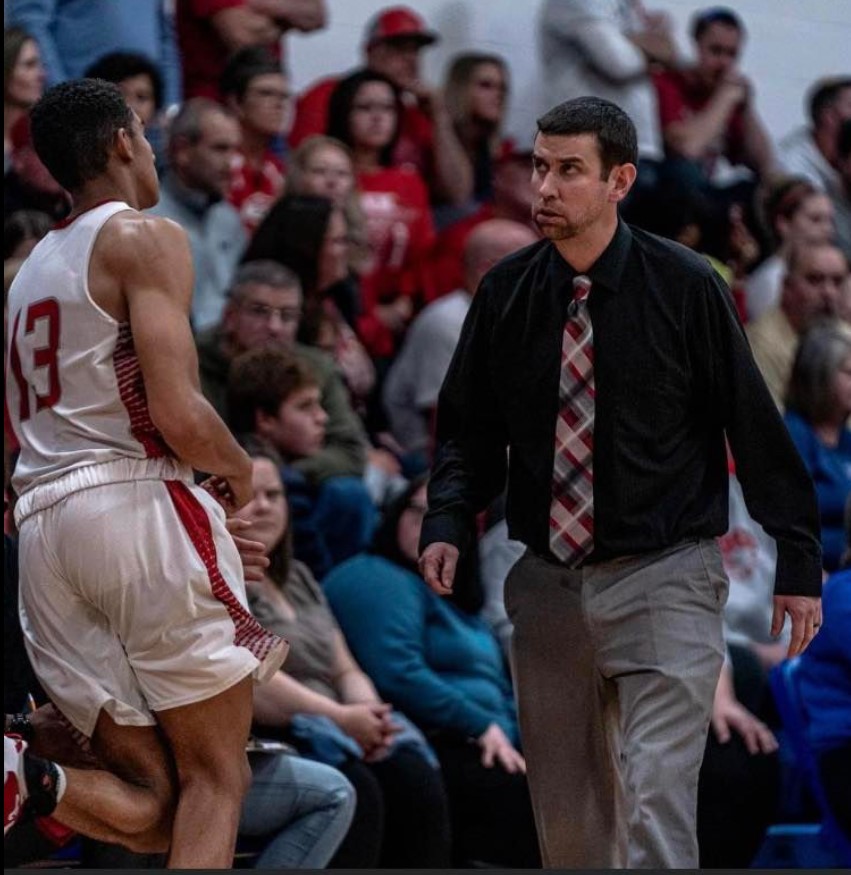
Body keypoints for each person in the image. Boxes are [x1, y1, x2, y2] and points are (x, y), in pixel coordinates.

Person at [418, 95, 823, 869]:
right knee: (569, 826)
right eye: (539, 167)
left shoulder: (685, 285)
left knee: (655, 796)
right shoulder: (505, 292)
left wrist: (797, 557)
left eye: (569, 170)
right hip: (547, 581)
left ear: (619, 180)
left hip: (666, 573)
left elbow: (752, 423)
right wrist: (445, 516)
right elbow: (467, 428)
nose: (544, 187)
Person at [5, 78, 288, 867]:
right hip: (128, 498)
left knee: (162, 806)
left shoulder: (28, 270)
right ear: (121, 143)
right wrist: (237, 471)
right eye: (145, 129)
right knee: (219, 777)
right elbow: (177, 410)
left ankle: (28, 779)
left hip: (42, 525)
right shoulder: (145, 237)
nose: (153, 146)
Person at [236, 439, 453, 868]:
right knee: (362, 790)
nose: (262, 506)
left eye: (273, 495)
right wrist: (342, 720)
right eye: (247, 495)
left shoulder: (297, 576)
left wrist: (371, 718)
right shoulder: (224, 578)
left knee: (413, 775)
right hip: (277, 728)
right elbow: (251, 679)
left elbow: (344, 666)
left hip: (338, 721)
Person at [324, 477, 541, 868]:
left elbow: (499, 685)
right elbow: (398, 673)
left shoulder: (451, 597)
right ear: (394, 515)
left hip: (486, 739)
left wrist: (518, 737)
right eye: (418, 512)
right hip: (431, 738)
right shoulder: (376, 575)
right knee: (523, 805)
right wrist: (481, 725)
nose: (429, 527)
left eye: (444, 517)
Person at [383, 218, 538, 461]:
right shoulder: (447, 321)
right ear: (489, 271)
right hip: (427, 458)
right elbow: (446, 426)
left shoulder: (518, 319)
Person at [290, 4, 472, 207]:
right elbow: (299, 169)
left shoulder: (418, 113)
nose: (411, 59)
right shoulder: (328, 93)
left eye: (416, 51)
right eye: (400, 48)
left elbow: (458, 193)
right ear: (370, 52)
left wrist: (439, 117)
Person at [653, 7, 776, 208]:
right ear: (697, 46)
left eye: (732, 54)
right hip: (665, 192)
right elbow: (685, 148)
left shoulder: (727, 94)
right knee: (686, 173)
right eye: (716, 51)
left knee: (760, 190)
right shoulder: (668, 82)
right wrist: (724, 99)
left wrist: (747, 109)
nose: (724, 63)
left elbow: (765, 166)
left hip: (707, 197)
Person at [147, 98, 246, 333]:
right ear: (182, 151)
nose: (232, 163)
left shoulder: (229, 219)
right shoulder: (146, 219)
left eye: (235, 150)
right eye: (220, 149)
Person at [7, 0, 182, 107]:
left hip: (146, 120)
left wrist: (169, 105)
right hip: (77, 121)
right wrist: (62, 97)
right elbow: (30, 21)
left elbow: (165, 34)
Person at [784, 320, 851, 572]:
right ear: (819, 375)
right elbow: (788, 522)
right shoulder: (794, 434)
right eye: (848, 373)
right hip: (813, 579)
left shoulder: (846, 438)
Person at [746, 241, 847, 407]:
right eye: (814, 280)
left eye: (837, 281)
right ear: (787, 286)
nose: (829, 292)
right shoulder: (760, 345)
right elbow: (772, 427)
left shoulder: (844, 334)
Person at [176, 0, 326, 102]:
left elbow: (316, 15)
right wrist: (285, 20)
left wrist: (259, 5)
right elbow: (242, 36)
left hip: (267, 100)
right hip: (214, 106)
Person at [221, 46, 292, 234]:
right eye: (266, 93)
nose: (279, 104)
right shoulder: (216, 164)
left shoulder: (283, 171)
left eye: (284, 96)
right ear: (236, 102)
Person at [746, 177, 836, 321]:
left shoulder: (832, 275)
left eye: (830, 220)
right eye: (815, 219)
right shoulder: (770, 281)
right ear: (783, 223)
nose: (828, 230)